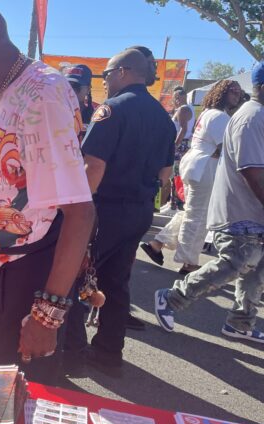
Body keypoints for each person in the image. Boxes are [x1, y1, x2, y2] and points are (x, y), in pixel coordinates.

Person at [0, 4, 95, 384]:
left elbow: (79, 213)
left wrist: (46, 315)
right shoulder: (7, 88)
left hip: (22, 278)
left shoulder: (43, 93)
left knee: (14, 391)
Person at [65, 49, 176, 375]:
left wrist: (76, 212)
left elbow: (93, 167)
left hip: (105, 210)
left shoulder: (111, 110)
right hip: (139, 211)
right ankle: (108, 354)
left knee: (73, 277)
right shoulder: (162, 117)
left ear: (124, 72)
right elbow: (166, 175)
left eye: (108, 74)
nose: (104, 81)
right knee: (116, 282)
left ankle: (70, 354)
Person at [153, 62, 264, 345]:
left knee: (258, 268)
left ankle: (241, 322)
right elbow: (251, 170)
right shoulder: (251, 118)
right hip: (240, 208)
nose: (235, 95)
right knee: (234, 263)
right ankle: (172, 297)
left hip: (252, 209)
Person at [141, 81, 243, 274]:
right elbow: (227, 148)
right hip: (205, 168)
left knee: (190, 211)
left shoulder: (208, 113)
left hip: (196, 165)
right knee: (198, 216)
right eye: (232, 91)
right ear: (222, 93)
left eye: (239, 92)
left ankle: (157, 243)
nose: (236, 95)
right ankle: (189, 262)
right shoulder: (220, 116)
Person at [62, 64, 92, 141]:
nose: (70, 92)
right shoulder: (55, 114)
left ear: (88, 89)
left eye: (75, 86)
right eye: (66, 86)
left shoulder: (96, 117)